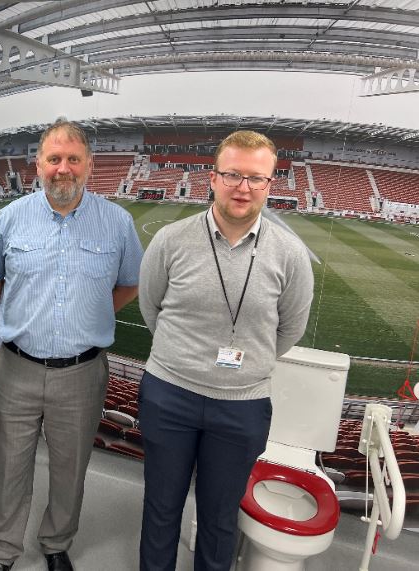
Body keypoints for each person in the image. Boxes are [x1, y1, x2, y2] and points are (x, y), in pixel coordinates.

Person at [137, 130, 314, 571]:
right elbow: (151, 308)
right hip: (169, 395)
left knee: (219, 520)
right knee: (160, 509)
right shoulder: (171, 240)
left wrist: (243, 364)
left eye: (256, 178)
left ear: (271, 184)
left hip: (242, 406)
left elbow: (289, 329)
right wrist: (185, 357)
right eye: (233, 174)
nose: (243, 187)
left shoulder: (290, 254)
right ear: (212, 179)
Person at [0, 120, 144, 571]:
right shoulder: (11, 218)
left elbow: (129, 285)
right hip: (17, 367)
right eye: (54, 159)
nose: (62, 168)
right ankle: (3, 551)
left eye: (73, 159)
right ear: (39, 164)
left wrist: (89, 315)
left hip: (82, 372)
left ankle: (55, 544)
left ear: (89, 165)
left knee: (70, 470)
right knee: (8, 466)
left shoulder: (117, 223)